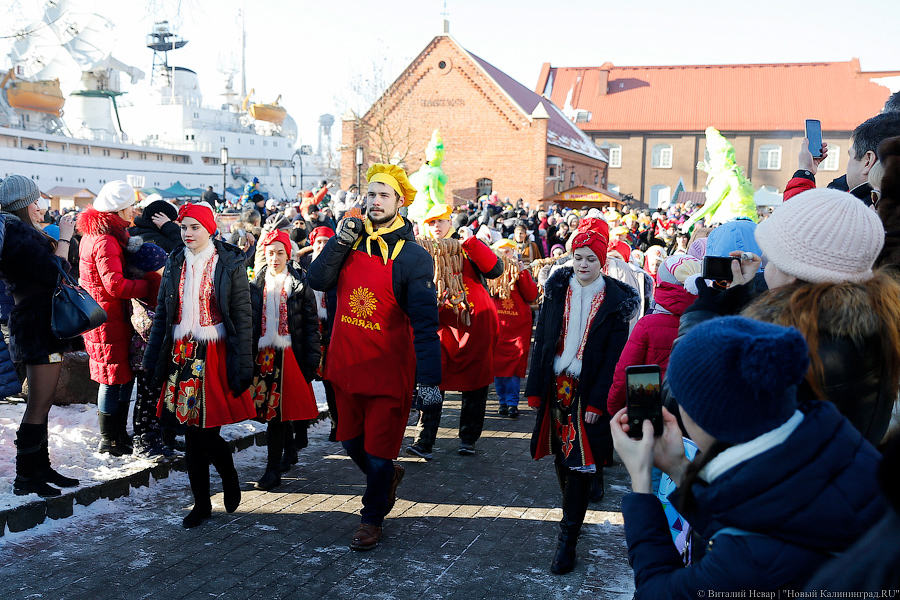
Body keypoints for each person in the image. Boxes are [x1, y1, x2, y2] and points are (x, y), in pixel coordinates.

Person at [611, 316, 885, 596]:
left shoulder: (749, 562)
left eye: (680, 400)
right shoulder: (838, 442)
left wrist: (642, 483)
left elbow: (656, 591)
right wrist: (679, 467)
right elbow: (762, 518)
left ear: (703, 416)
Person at [307, 164, 441, 550]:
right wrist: (338, 241)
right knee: (350, 442)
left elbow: (426, 325)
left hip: (387, 374)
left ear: (400, 202)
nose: (375, 201)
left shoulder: (414, 257)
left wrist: (430, 382)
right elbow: (317, 279)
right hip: (345, 368)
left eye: (384, 195)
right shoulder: (348, 243)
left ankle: (372, 517)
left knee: (378, 453)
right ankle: (387, 479)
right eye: (371, 194)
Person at [525, 217, 640, 574]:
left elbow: (613, 358)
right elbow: (543, 339)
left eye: (591, 257)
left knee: (582, 463)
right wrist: (533, 387)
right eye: (578, 257)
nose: (583, 264)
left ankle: (567, 540)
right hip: (556, 388)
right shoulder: (557, 287)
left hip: (587, 392)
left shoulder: (618, 301)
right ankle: (571, 516)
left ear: (602, 260)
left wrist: (597, 401)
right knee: (562, 457)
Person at [143, 202, 256, 528]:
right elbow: (163, 316)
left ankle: (228, 474)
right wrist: (152, 361)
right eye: (183, 227)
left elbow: (242, 318)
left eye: (195, 227)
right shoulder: (175, 261)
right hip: (181, 353)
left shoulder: (230, 263)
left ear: (209, 229)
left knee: (207, 433)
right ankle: (202, 503)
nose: (188, 233)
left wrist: (243, 363)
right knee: (192, 435)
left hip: (216, 354)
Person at [0, 175, 80, 497]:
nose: (40, 206)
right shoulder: (18, 233)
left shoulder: (19, 232)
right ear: (22, 203)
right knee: (38, 403)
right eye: (35, 200)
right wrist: (64, 238)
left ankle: (41, 467)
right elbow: (52, 276)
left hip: (37, 324)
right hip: (36, 327)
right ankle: (25, 477)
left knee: (42, 404)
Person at [407, 203, 502, 458]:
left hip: (476, 326)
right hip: (439, 328)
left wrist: (472, 243)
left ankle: (468, 439)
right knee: (431, 382)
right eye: (431, 222)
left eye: (441, 221)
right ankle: (423, 440)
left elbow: (496, 269)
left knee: (476, 384)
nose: (436, 226)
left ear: (450, 223)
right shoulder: (418, 252)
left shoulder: (466, 248)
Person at [78, 181, 156, 456]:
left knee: (118, 376)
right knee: (111, 378)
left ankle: (118, 436)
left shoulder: (103, 234)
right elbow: (115, 286)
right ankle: (109, 438)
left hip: (110, 316)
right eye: (130, 206)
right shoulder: (105, 240)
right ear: (118, 209)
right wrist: (149, 286)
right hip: (108, 318)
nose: (134, 210)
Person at [248, 229, 320, 490]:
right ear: (264, 256)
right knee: (273, 413)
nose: (275, 258)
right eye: (271, 253)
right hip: (264, 356)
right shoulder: (255, 286)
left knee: (277, 414)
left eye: (280, 253)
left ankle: (272, 470)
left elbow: (311, 327)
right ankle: (288, 452)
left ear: (288, 255)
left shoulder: (300, 286)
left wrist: (312, 361)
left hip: (290, 355)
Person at [785, 112, 900, 203]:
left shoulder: (852, 211)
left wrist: (804, 172)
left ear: (868, 161)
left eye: (851, 156)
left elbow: (795, 221)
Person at [490, 239, 538, 419]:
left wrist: (522, 272)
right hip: (498, 328)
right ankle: (502, 402)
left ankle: (512, 403)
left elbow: (531, 295)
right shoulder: (492, 273)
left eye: (508, 251)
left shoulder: (520, 272)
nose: (505, 255)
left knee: (514, 367)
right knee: (498, 367)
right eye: (501, 251)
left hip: (518, 328)